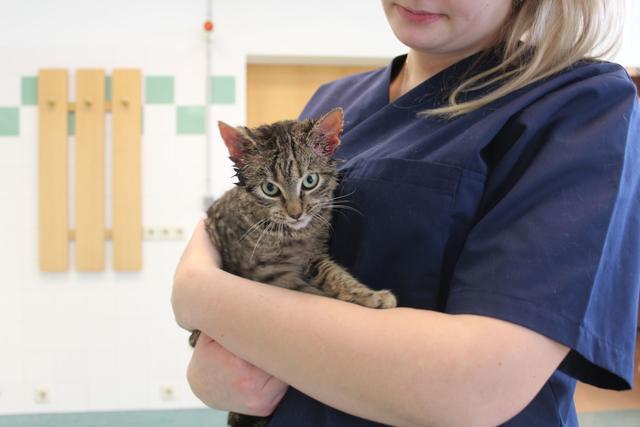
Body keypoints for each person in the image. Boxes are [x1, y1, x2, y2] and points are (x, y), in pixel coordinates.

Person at [171, 0, 640, 425]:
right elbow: (240, 239)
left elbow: (475, 385)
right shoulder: (334, 102)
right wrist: (210, 377)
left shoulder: (577, 105)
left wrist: (198, 294)